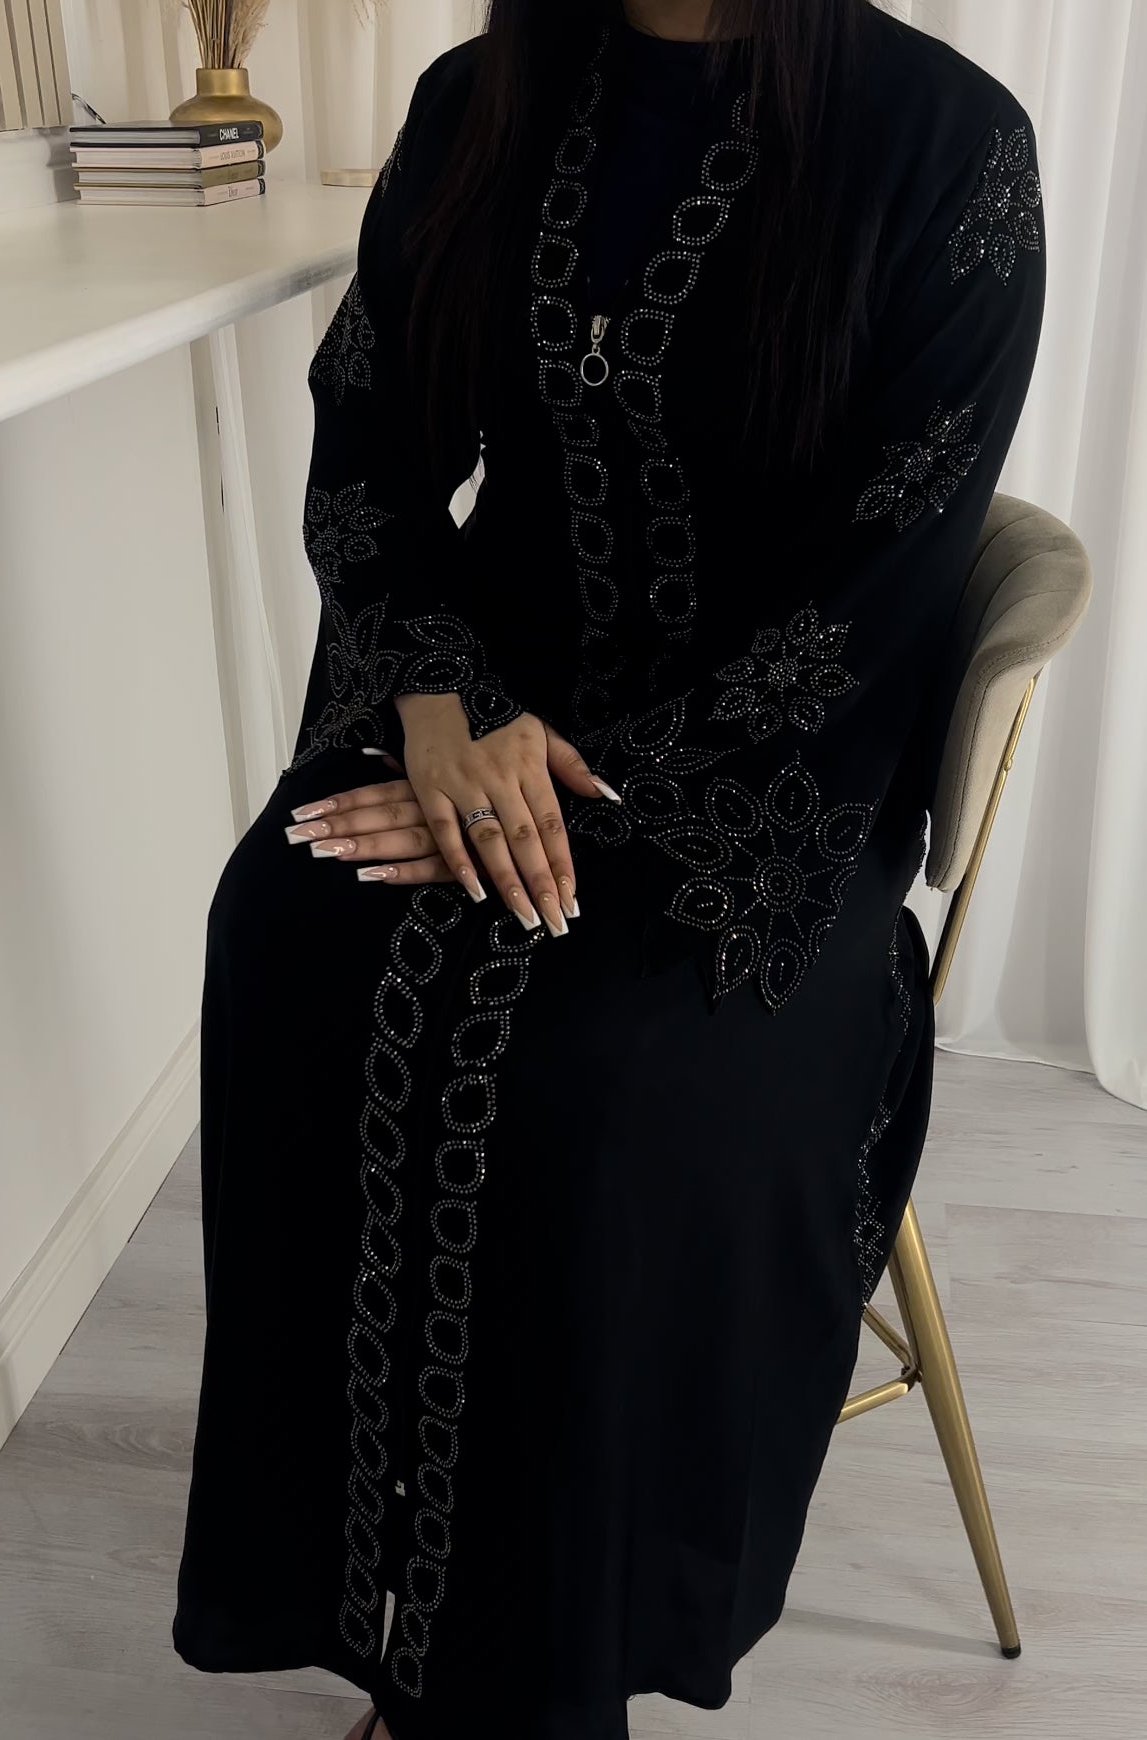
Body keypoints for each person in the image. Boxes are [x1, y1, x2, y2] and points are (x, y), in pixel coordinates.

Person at [172, 2, 1046, 1736]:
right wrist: (445, 706)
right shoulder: (477, 103)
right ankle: (368, 1601)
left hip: (770, 767)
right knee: (285, 929)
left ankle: (528, 1670)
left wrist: (598, 788)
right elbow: (369, 442)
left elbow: (888, 577)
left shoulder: (949, 143)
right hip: (473, 700)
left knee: (596, 1076)